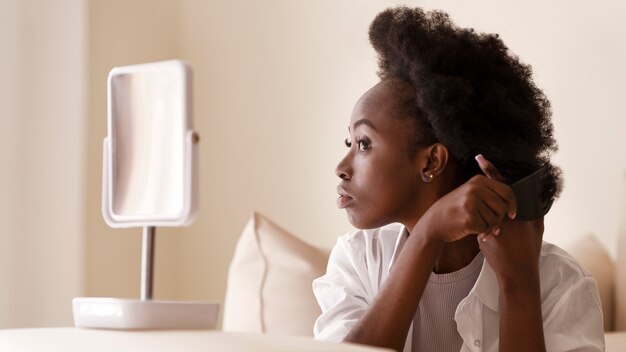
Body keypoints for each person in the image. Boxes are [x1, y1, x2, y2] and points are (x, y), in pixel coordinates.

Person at [312, 6, 604, 352]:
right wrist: (427, 234)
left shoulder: (561, 284)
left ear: (431, 161)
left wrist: (519, 285)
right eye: (350, 143)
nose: (341, 167)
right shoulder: (357, 262)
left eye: (363, 143)